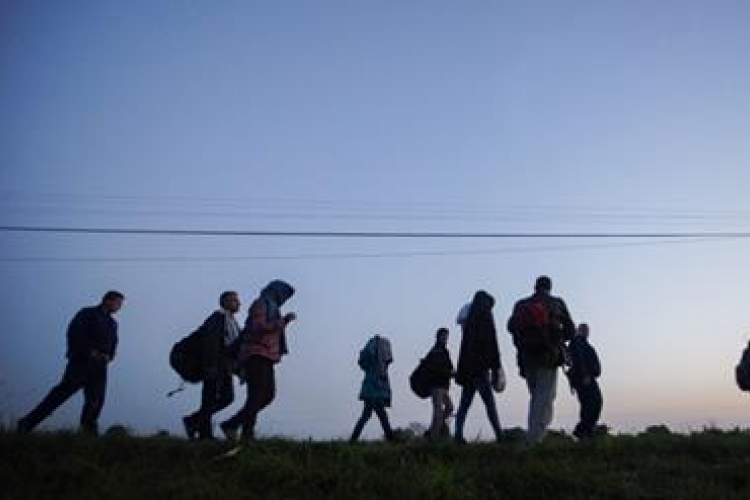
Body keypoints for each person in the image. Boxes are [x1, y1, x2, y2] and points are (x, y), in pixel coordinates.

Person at [17, 291, 125, 435]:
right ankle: (27, 423)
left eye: (120, 304)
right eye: (118, 303)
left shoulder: (113, 324)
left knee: (96, 400)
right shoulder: (87, 313)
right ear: (107, 300)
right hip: (81, 363)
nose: (119, 307)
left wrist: (110, 356)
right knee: (60, 394)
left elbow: (113, 343)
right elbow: (74, 333)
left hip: (99, 368)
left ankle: (88, 434)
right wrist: (88, 351)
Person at [220, 280, 296, 443]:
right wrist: (284, 321)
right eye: (284, 294)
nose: (284, 298)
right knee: (256, 396)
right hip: (256, 354)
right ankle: (246, 434)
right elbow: (258, 327)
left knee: (267, 395)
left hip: (267, 356)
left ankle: (232, 424)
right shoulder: (261, 304)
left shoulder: (272, 307)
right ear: (276, 291)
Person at [507, 276, 575, 444]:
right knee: (544, 399)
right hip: (548, 357)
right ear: (549, 287)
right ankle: (534, 440)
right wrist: (556, 336)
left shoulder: (521, 304)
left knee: (536, 397)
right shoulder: (556, 303)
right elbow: (571, 331)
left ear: (535, 287)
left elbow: (510, 327)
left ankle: (534, 435)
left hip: (526, 359)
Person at [182, 291, 241, 440]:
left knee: (226, 398)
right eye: (235, 300)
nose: (239, 303)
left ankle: (193, 421)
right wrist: (210, 366)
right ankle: (204, 434)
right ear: (225, 302)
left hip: (225, 365)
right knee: (211, 398)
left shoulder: (232, 321)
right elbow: (211, 343)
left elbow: (234, 345)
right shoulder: (217, 318)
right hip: (215, 365)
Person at [454, 290, 503, 444]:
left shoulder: (469, 322)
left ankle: (458, 434)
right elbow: (491, 342)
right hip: (481, 369)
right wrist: (496, 367)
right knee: (490, 404)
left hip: (468, 370)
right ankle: (500, 435)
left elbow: (464, 350)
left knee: (464, 404)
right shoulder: (486, 316)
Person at [350, 334, 395, 442]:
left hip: (371, 390)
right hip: (374, 390)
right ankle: (391, 439)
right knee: (380, 415)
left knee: (368, 415)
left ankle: (353, 440)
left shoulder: (371, 364)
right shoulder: (378, 367)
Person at [566, 323, 603, 440]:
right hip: (585, 379)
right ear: (579, 330)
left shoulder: (579, 343)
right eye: (584, 329)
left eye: (587, 330)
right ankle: (583, 431)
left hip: (586, 378)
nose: (587, 332)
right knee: (593, 403)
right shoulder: (578, 343)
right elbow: (579, 359)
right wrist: (585, 375)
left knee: (590, 405)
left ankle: (586, 432)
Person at [422, 327, 454, 440]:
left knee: (449, 407)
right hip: (436, 385)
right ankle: (433, 438)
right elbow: (437, 369)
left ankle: (432, 431)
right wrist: (449, 373)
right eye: (443, 336)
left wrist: (452, 372)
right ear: (438, 337)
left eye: (446, 337)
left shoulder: (444, 351)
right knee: (438, 412)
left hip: (443, 386)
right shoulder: (435, 351)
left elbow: (449, 366)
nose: (445, 339)